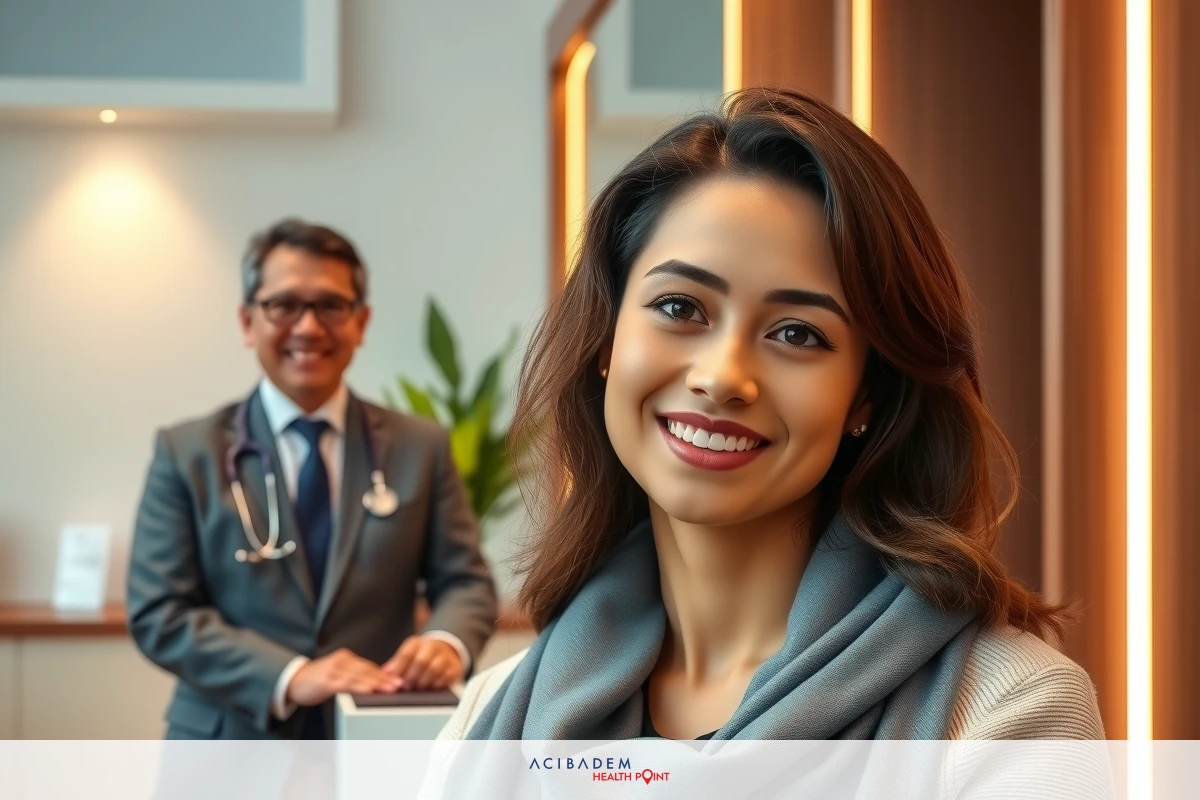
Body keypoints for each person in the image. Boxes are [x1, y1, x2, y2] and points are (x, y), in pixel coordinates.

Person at [437, 88, 1104, 741]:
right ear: (607, 339)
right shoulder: (496, 717)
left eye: (797, 334)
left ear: (866, 396)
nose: (723, 377)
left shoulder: (1008, 713)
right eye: (680, 308)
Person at [127, 218, 497, 739]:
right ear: (247, 321)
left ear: (360, 322)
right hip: (228, 741)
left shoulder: (420, 447)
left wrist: (445, 641)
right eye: (284, 305)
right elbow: (159, 612)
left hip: (377, 735)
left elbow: (465, 581)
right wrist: (291, 675)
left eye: (330, 305)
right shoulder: (189, 453)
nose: (308, 326)